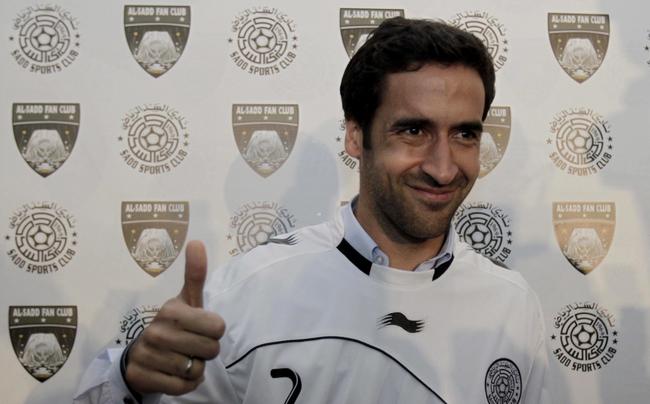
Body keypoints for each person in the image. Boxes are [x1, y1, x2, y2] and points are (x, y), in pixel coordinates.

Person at [74, 17, 550, 403]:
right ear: (355, 136)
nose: (443, 169)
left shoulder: (512, 304)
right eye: (413, 131)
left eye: (464, 134)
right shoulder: (246, 294)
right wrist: (131, 380)